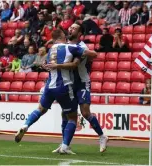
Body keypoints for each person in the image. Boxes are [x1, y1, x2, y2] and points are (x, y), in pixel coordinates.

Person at [15, 29, 91, 154]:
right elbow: (91, 54)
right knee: (72, 117)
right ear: (61, 36)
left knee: (40, 109)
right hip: (64, 86)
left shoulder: (50, 51)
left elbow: (47, 64)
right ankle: (65, 146)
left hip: (49, 86)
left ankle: (26, 125)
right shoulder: (69, 47)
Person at [53, 22, 108, 154]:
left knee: (85, 112)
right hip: (70, 84)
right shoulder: (66, 45)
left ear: (80, 34)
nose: (70, 29)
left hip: (82, 83)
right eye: (70, 27)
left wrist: (56, 65)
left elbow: (76, 63)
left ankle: (102, 136)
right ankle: (65, 144)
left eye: (74, 28)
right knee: (65, 113)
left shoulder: (81, 47)